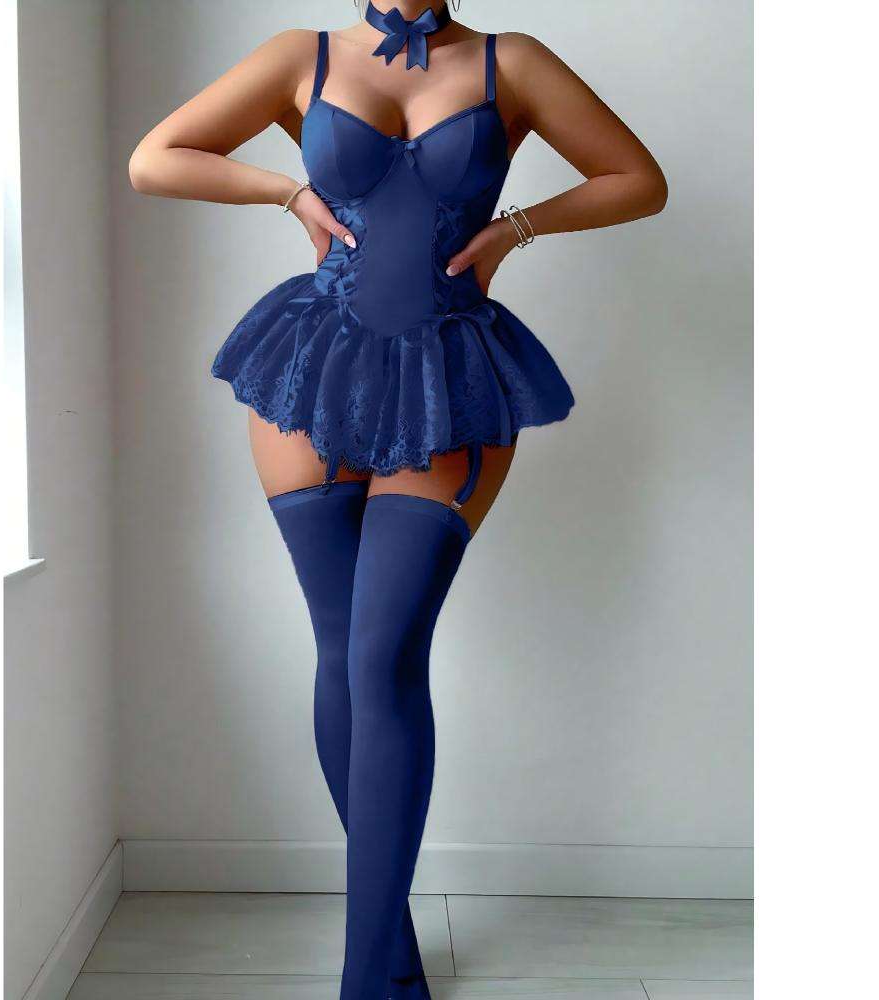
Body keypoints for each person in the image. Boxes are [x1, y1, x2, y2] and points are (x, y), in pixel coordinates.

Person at [128, 3, 667, 998]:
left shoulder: (513, 62)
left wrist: (517, 228)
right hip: (312, 365)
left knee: (383, 657)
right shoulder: (300, 56)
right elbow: (154, 159)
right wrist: (287, 191)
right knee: (342, 651)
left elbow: (638, 179)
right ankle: (387, 946)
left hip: (449, 374)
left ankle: (367, 975)